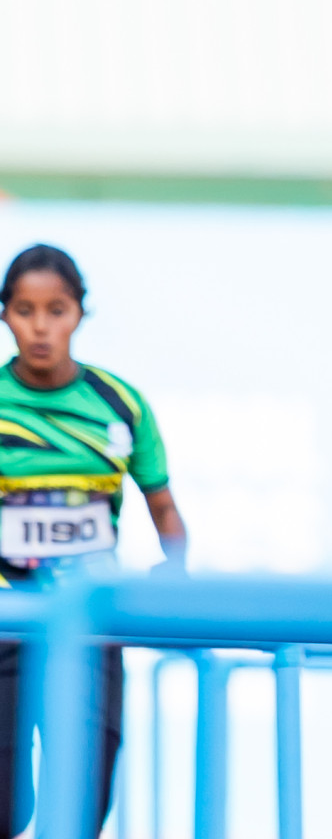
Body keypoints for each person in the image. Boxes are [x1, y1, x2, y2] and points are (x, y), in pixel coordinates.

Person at [0, 243, 189, 835]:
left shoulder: (120, 405)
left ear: (80, 313)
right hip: (5, 621)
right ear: (4, 313)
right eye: (24, 309)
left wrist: (177, 574)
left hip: (90, 624)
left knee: (83, 806)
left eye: (56, 309)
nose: (40, 326)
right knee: (7, 807)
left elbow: (163, 509)